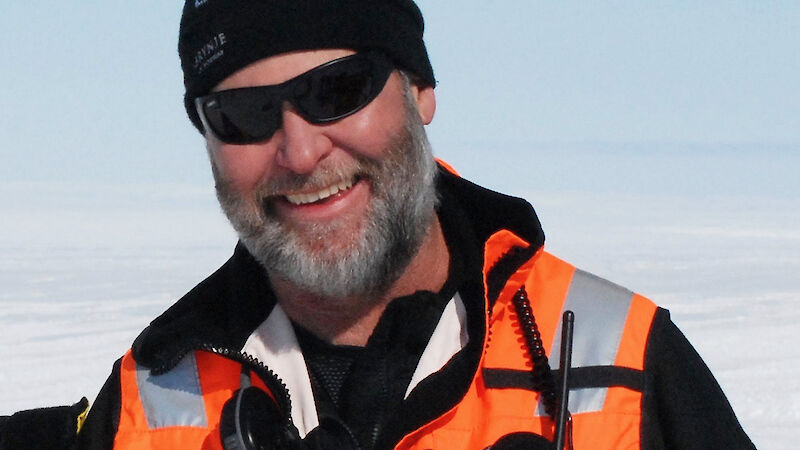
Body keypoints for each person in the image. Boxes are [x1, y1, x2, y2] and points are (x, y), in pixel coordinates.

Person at [50, 1, 755, 449]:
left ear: (419, 90)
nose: (299, 152)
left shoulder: (624, 370)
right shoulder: (149, 408)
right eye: (243, 115)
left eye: (335, 90)